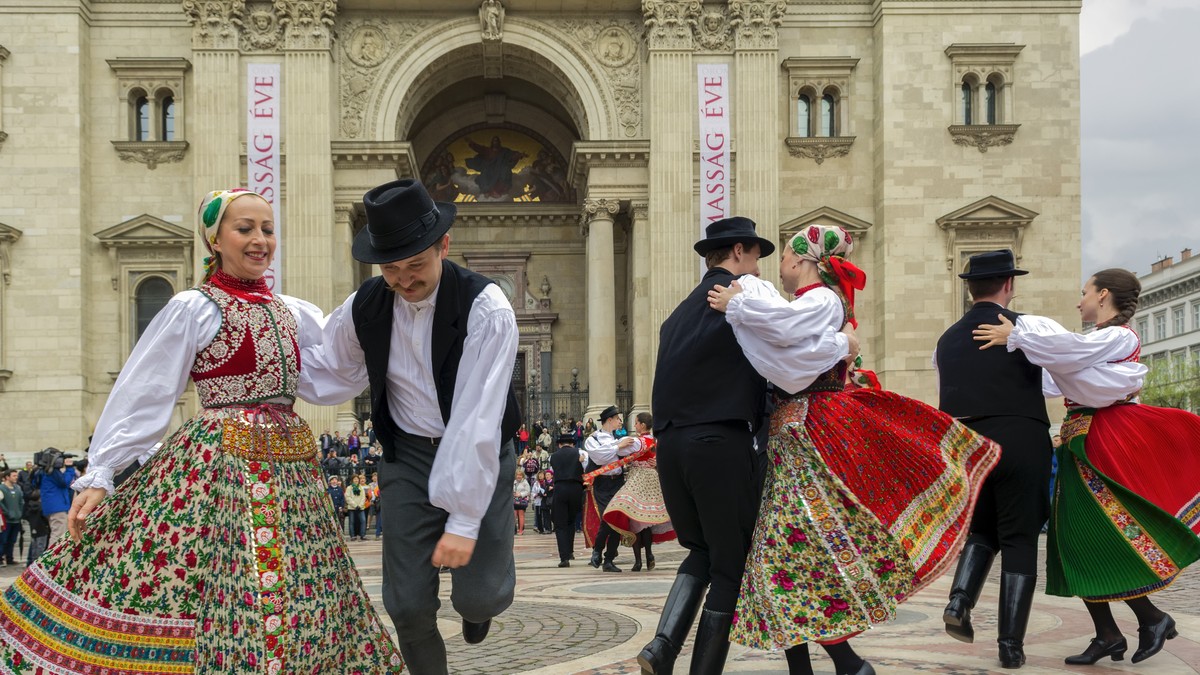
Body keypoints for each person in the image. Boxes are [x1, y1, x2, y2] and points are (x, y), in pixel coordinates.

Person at [0, 188, 403, 673]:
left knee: (303, 580)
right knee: (221, 580)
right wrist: (102, 471)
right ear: (215, 240)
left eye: (267, 230)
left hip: (290, 469)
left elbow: (327, 376)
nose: (260, 240)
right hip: (218, 468)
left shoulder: (291, 311)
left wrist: (374, 308)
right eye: (245, 229)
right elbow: (146, 389)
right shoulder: (194, 307)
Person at [710, 225, 1001, 675]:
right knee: (783, 554)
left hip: (812, 434)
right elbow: (787, 341)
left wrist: (739, 303)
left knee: (787, 551)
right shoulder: (809, 304)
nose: (780, 265)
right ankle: (839, 664)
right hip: (796, 438)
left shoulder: (821, 299)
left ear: (804, 261)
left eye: (786, 256)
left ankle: (841, 663)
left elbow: (788, 348)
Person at [301, 178, 521, 674]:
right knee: (404, 605)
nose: (402, 279)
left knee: (481, 596)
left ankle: (476, 608)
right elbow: (330, 368)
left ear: (443, 245)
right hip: (406, 459)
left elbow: (477, 418)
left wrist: (463, 521)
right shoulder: (366, 303)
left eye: (415, 264)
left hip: (480, 451)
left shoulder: (488, 309)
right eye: (391, 268)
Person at [640, 216, 846, 675]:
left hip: (671, 446)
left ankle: (661, 647)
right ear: (737, 252)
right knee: (732, 567)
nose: (761, 266)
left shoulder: (675, 316)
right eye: (756, 255)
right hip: (720, 441)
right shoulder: (747, 293)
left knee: (700, 550)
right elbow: (790, 353)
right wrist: (841, 344)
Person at [973, 267, 1200, 666]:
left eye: (1084, 293)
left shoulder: (1118, 335)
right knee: (1070, 538)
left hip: (1103, 440)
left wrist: (1019, 336)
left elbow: (1069, 355)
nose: (1079, 301)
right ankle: (1112, 632)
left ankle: (1149, 619)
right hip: (1082, 440)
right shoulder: (1094, 341)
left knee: (1094, 532)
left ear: (1103, 295)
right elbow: (1061, 370)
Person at [934, 249, 1054, 668]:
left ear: (968, 287)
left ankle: (959, 600)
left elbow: (946, 393)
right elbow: (1059, 373)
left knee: (982, 528)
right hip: (1020, 435)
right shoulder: (1026, 326)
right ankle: (1009, 645)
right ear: (1009, 284)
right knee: (1020, 539)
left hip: (970, 445)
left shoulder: (946, 339)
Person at [603, 411, 675, 573]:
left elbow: (619, 451)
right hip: (653, 479)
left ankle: (638, 561)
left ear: (642, 425)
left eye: (636, 423)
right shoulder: (656, 440)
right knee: (646, 520)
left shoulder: (638, 442)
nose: (634, 425)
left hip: (639, 479)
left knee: (635, 520)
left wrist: (616, 445)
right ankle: (648, 555)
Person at [582, 406, 637, 573]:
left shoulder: (619, 439)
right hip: (603, 483)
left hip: (618, 482)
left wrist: (620, 446)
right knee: (609, 518)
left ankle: (609, 559)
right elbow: (599, 457)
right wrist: (618, 446)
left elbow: (633, 449)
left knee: (618, 520)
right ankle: (598, 550)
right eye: (618, 419)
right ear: (609, 420)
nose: (620, 422)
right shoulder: (593, 439)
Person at [550, 435, 585, 567]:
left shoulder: (553, 456)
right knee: (571, 520)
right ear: (572, 444)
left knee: (560, 524)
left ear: (560, 444)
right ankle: (570, 551)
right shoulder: (579, 452)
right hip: (576, 488)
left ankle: (564, 557)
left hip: (560, 487)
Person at [40, 454, 77, 544]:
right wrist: (69, 468)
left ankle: (54, 556)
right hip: (58, 508)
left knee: (58, 532)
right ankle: (52, 557)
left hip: (54, 506)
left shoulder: (47, 472)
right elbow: (64, 482)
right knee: (58, 534)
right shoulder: (52, 472)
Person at [0, 470, 23, 566]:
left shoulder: (18, 488)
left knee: (12, 540)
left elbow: (21, 502)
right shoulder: (2, 488)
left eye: (16, 475)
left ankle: (10, 558)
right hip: (6, 520)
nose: (16, 477)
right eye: (14, 476)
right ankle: (1, 558)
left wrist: (20, 513)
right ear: (7, 477)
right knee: (3, 540)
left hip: (17, 519)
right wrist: (7, 513)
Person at [346, 473, 369, 541]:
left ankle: (363, 535)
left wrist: (360, 505)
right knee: (351, 522)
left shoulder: (361, 488)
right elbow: (348, 497)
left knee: (363, 520)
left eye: (357, 479)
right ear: (352, 480)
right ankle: (353, 536)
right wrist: (355, 505)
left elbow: (363, 497)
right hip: (352, 507)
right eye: (355, 479)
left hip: (360, 507)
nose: (356, 480)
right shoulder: (349, 488)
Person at [513, 468, 531, 535]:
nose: (518, 476)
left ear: (522, 476)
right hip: (514, 500)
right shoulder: (514, 482)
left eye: (520, 475)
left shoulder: (525, 482)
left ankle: (521, 530)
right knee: (513, 515)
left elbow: (528, 491)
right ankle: (513, 529)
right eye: (517, 475)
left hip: (522, 500)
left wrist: (520, 494)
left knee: (521, 515)